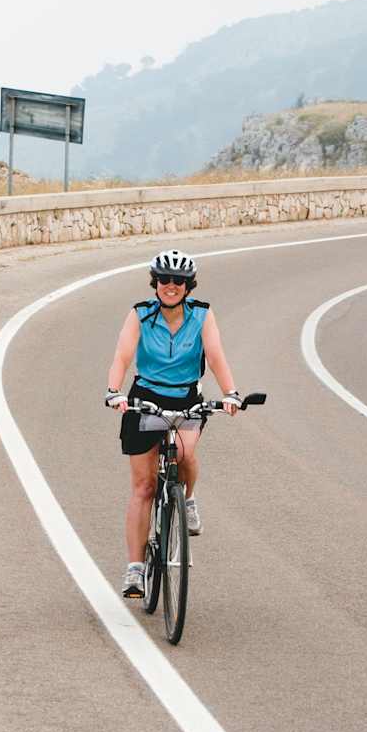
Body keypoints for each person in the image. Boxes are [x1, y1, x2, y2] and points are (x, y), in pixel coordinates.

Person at [103, 249, 241, 599]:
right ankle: (135, 570)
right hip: (144, 397)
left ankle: (187, 500)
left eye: (178, 281)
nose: (171, 286)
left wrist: (231, 393)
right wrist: (114, 391)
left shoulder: (202, 315)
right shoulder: (140, 314)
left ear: (188, 285)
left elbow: (215, 355)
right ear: (156, 282)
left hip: (184, 398)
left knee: (183, 453)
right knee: (144, 487)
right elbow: (122, 354)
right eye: (165, 279)